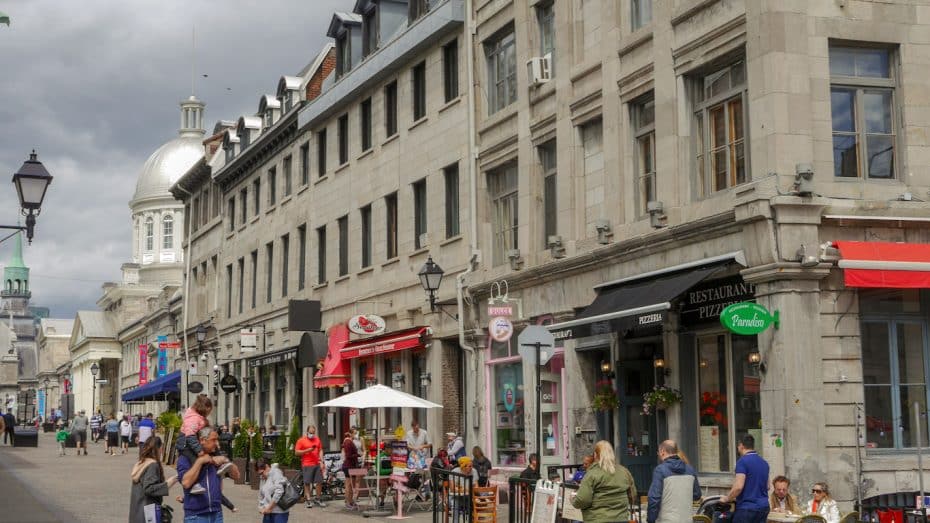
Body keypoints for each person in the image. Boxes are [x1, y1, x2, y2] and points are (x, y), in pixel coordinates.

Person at [176, 426, 240, 523]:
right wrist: (200, 461)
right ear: (202, 440)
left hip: (216, 514)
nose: (217, 444)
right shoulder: (185, 458)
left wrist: (226, 461)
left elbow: (236, 476)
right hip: (195, 516)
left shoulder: (217, 456)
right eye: (214, 440)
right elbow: (185, 483)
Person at [571, 440, 637, 522]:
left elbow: (583, 500)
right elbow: (632, 495)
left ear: (595, 455)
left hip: (597, 519)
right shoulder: (624, 472)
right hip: (621, 518)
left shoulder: (592, 474)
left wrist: (573, 500)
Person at [647, 439, 701, 523]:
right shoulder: (690, 469)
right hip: (687, 519)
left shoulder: (660, 470)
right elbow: (697, 495)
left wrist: (650, 520)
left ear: (662, 451)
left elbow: (654, 498)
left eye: (658, 452)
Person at [720, 434, 770, 523]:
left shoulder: (742, 462)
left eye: (738, 446)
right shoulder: (764, 463)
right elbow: (768, 486)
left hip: (747, 509)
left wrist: (727, 498)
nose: (737, 448)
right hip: (763, 507)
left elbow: (738, 487)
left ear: (741, 446)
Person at [129, 436, 178, 523]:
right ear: (159, 449)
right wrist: (170, 482)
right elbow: (149, 488)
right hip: (148, 514)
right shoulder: (152, 465)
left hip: (137, 513)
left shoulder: (141, 463)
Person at [176, 394, 214, 495]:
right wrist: (199, 450)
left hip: (188, 443)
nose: (209, 413)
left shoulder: (198, 417)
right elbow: (190, 435)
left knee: (199, 460)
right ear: (204, 408)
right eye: (209, 410)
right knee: (195, 461)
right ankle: (194, 485)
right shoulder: (193, 418)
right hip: (185, 445)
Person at [294, 424, 326, 509]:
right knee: (307, 482)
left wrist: (322, 461)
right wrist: (308, 450)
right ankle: (308, 499)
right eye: (311, 432)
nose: (312, 434)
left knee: (319, 481)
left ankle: (318, 498)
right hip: (307, 464)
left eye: (313, 432)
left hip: (316, 463)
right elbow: (296, 452)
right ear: (307, 432)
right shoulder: (301, 440)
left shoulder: (317, 439)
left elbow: (320, 450)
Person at [255, 458, 291, 523]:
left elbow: (279, 491)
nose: (261, 476)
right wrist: (261, 506)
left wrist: (269, 508)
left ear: (267, 466)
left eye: (262, 473)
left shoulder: (276, 473)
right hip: (267, 511)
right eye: (259, 474)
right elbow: (261, 493)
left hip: (279, 512)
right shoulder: (263, 476)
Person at [450, 456, 480, 523]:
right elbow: (452, 488)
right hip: (457, 496)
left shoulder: (474, 471)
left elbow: (476, 486)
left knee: (473, 503)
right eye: (469, 466)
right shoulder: (455, 472)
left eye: (471, 466)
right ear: (463, 466)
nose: (471, 468)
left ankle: (473, 520)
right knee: (455, 504)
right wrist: (464, 490)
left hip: (469, 496)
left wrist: (466, 490)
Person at [341, 430, 360, 510]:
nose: (356, 434)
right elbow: (348, 455)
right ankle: (348, 502)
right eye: (355, 433)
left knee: (350, 484)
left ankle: (350, 501)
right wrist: (357, 455)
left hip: (351, 465)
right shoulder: (348, 442)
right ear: (351, 434)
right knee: (349, 484)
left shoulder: (348, 441)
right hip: (348, 465)